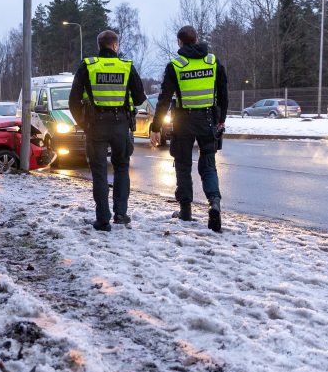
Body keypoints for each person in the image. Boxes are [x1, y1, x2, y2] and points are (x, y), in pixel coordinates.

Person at [150, 25, 229, 232]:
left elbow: (164, 99)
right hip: (208, 119)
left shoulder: (175, 65)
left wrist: (156, 126)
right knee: (209, 165)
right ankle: (214, 203)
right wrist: (221, 119)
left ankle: (185, 211)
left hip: (183, 121)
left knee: (183, 165)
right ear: (196, 39)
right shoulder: (212, 61)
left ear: (180, 42)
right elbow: (223, 93)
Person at [69, 29, 146, 232]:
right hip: (121, 125)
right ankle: (121, 214)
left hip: (95, 126)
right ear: (115, 46)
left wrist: (83, 124)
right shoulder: (127, 66)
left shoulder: (89, 66)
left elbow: (73, 101)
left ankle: (102, 219)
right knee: (121, 168)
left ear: (99, 46)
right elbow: (139, 98)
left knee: (99, 172)